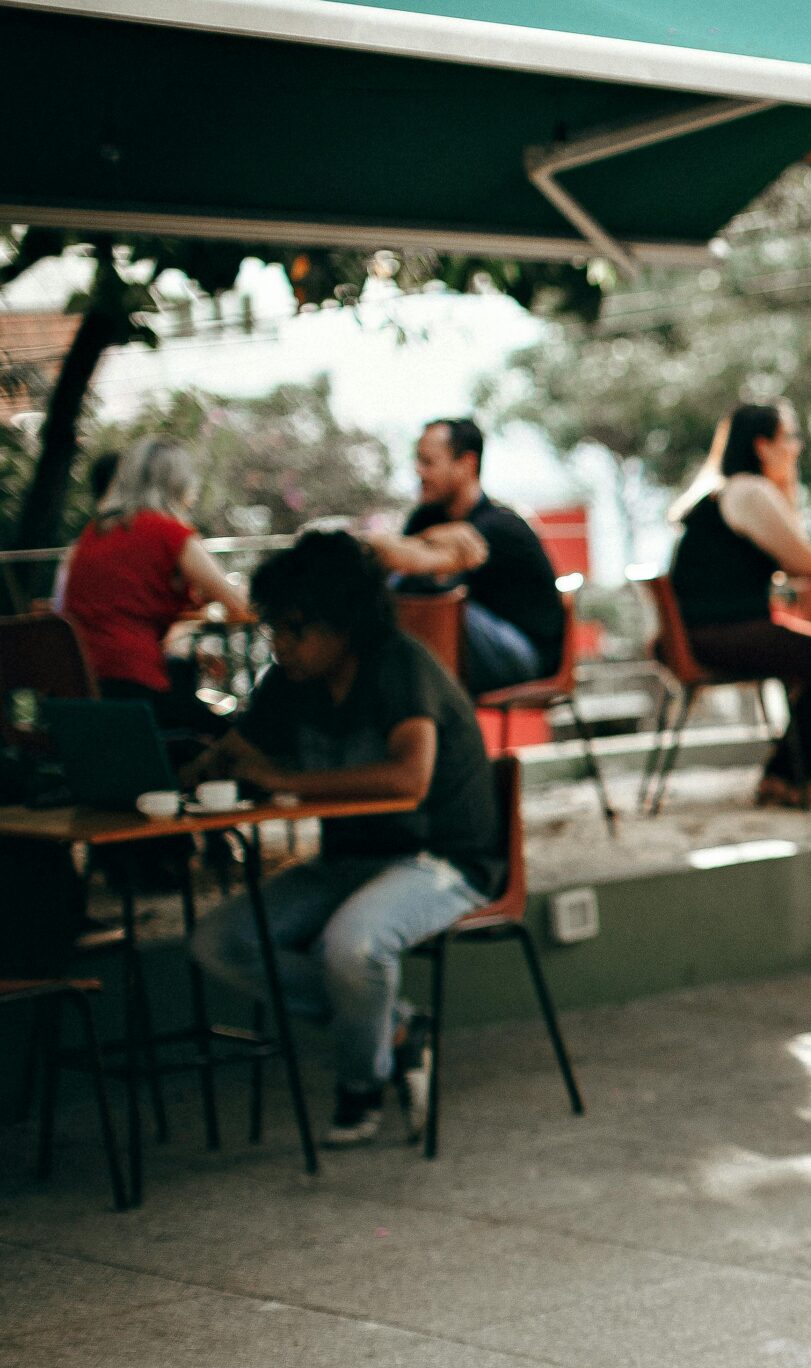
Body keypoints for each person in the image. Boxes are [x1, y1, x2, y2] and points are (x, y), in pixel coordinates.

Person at [187, 530, 503, 1146]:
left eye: (297, 629)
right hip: (348, 861)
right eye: (275, 628)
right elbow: (235, 752)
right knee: (219, 942)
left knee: (352, 948)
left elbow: (410, 777)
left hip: (441, 857)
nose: (282, 645)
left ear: (345, 622)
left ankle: (361, 1084)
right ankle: (398, 1030)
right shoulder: (290, 681)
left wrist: (286, 780)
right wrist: (193, 770)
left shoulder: (399, 666)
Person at [666, 402, 811, 809]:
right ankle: (784, 778)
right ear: (763, 446)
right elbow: (807, 564)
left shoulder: (722, 491)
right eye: (790, 438)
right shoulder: (751, 491)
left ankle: (787, 772)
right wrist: (789, 489)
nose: (796, 448)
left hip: (702, 631)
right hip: (724, 634)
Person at [53, 439, 251, 733]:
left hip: (81, 689)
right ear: (180, 484)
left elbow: (126, 602)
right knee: (237, 739)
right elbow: (237, 603)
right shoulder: (168, 532)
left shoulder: (94, 533)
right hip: (134, 690)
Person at [373, 418, 565, 694]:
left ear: (466, 464)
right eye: (418, 462)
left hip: (527, 655)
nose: (419, 472)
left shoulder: (501, 526)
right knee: (393, 596)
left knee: (429, 597)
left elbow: (414, 562)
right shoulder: (424, 519)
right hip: (467, 649)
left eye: (428, 462)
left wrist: (402, 552)